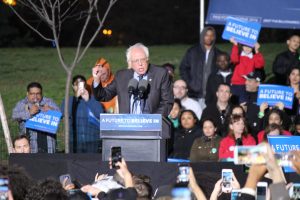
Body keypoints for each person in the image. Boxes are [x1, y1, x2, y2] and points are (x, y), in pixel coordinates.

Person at [92, 43, 173, 116]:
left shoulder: (160, 74)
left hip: (152, 129)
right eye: (136, 61)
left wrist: (153, 120)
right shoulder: (121, 76)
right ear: (130, 63)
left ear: (147, 59)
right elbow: (103, 95)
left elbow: (167, 102)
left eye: (143, 59)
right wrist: (96, 79)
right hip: (127, 127)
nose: (140, 64)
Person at [179, 26, 221, 109]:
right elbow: (183, 68)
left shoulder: (218, 54)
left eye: (211, 35)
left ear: (214, 37)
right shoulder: (192, 51)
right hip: (194, 94)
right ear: (202, 36)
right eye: (206, 35)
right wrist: (190, 83)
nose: (209, 38)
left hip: (211, 96)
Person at [12, 82, 60, 153]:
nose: (35, 96)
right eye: (32, 94)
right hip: (29, 145)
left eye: (38, 93)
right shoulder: (22, 103)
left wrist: (51, 110)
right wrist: (29, 113)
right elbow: (14, 116)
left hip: (48, 142)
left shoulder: (48, 102)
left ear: (41, 93)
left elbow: (60, 115)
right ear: (27, 94)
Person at [61, 75, 104, 153]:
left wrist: (88, 100)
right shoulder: (68, 100)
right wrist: (76, 98)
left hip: (92, 140)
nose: (79, 87)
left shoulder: (94, 100)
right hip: (74, 141)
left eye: (82, 84)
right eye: (76, 84)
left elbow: (100, 115)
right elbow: (65, 113)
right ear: (72, 86)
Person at [229, 37, 265, 104]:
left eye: (250, 46)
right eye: (245, 46)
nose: (247, 48)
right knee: (232, 103)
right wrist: (235, 45)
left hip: (246, 86)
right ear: (242, 46)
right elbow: (234, 59)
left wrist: (257, 51)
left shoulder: (254, 57)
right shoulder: (239, 56)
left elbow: (259, 65)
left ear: (253, 47)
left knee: (243, 103)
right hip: (235, 84)